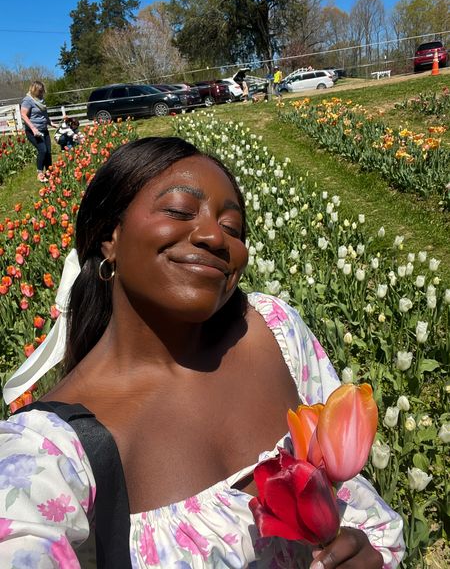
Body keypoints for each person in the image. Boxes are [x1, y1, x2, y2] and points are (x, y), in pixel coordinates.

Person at [0, 137, 405, 568]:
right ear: (109, 237)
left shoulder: (274, 329)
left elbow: (352, 498)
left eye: (232, 228)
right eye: (178, 211)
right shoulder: (46, 454)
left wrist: (364, 552)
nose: (215, 236)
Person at [20, 80, 58, 182]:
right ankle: (40, 173)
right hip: (33, 131)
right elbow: (23, 114)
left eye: (42, 91)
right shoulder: (27, 100)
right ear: (34, 90)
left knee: (48, 152)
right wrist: (33, 128)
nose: (42, 93)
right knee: (42, 150)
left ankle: (49, 172)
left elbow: (44, 114)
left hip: (44, 130)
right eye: (40, 91)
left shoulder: (41, 100)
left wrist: (50, 123)